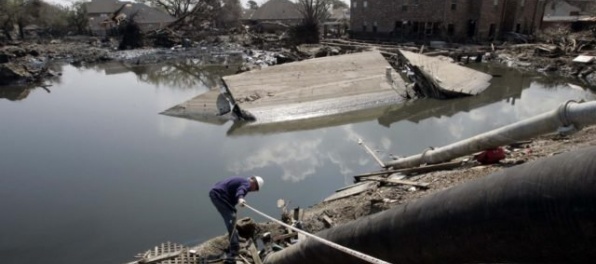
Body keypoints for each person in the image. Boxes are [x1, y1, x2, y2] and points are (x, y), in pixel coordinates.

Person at [209, 176, 264, 261]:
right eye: (255, 188)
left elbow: (232, 193)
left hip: (218, 194)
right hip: (219, 195)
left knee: (232, 215)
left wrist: (235, 204)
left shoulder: (240, 181)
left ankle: (235, 239)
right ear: (254, 182)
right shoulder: (246, 183)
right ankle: (234, 247)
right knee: (231, 218)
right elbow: (241, 190)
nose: (253, 190)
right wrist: (241, 198)